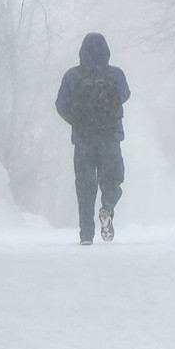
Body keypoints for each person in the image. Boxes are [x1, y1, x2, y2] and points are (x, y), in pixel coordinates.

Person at [55, 32, 131, 245]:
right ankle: (107, 207)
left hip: (83, 141)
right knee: (113, 179)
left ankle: (86, 235)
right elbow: (125, 95)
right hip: (110, 138)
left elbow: (61, 105)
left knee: (85, 187)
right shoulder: (116, 75)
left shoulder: (72, 76)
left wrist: (76, 121)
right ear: (106, 51)